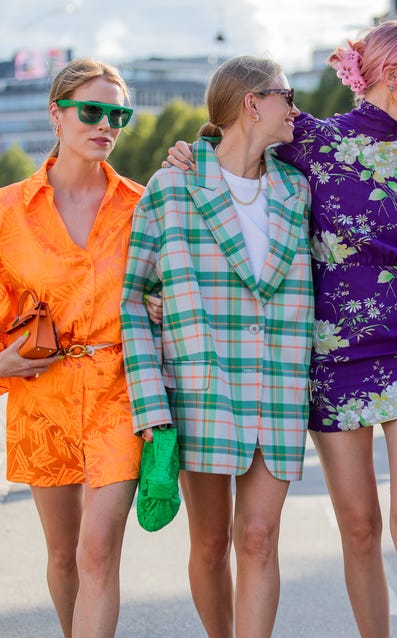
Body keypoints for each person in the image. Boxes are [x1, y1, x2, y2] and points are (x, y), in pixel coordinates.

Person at [165, 20, 397, 637]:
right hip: (330, 360)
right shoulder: (308, 143)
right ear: (395, 76)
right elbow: (237, 150)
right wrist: (192, 151)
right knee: (359, 528)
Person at [120, 56, 314, 638]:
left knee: (259, 537)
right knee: (210, 542)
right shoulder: (172, 186)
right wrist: (151, 409)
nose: (297, 109)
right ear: (252, 104)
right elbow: (134, 301)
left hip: (278, 389)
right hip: (202, 389)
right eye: (287, 96)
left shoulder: (298, 190)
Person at [0, 58, 145, 638]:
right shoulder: (7, 211)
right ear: (56, 115)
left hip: (120, 390)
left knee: (96, 549)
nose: (105, 123)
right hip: (41, 398)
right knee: (63, 554)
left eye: (118, 114)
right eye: (92, 110)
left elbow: (169, 288)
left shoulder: (143, 206)